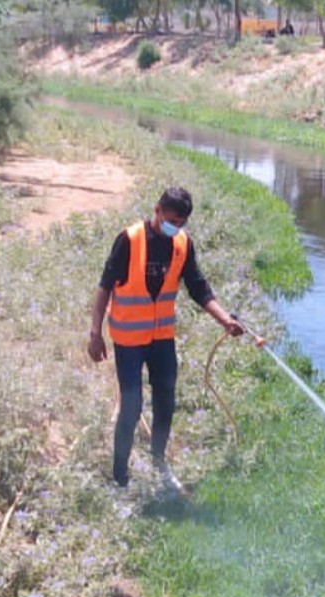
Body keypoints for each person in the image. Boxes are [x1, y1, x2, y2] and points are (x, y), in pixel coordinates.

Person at [87, 186, 245, 493]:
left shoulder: (182, 244)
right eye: (172, 220)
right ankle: (120, 477)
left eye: (182, 223)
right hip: (129, 340)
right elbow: (105, 286)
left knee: (166, 401)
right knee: (131, 406)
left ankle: (159, 462)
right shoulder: (130, 240)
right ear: (157, 210)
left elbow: (198, 287)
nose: (177, 227)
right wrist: (95, 334)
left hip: (162, 339)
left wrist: (224, 318)